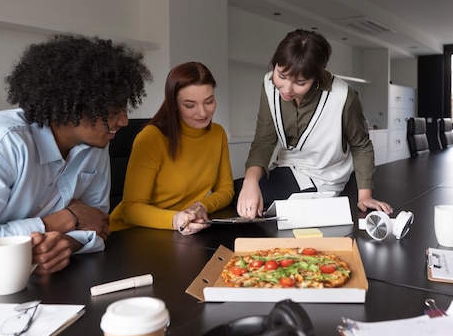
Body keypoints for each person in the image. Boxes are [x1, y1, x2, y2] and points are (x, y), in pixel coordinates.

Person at [0, 34, 152, 280]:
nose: (124, 121)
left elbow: (98, 224)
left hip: (42, 284)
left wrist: (67, 245)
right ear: (72, 105)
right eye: (114, 110)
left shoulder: (97, 144)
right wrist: (64, 219)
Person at [236, 29, 392, 218]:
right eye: (282, 75)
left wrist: (365, 195)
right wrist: (250, 183)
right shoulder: (269, 85)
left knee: (259, 205)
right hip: (286, 168)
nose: (287, 89)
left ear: (317, 76)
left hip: (324, 178)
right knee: (238, 192)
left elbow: (361, 146)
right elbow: (263, 142)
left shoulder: (343, 96)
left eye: (300, 82)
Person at [110, 62, 234, 235]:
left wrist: (200, 205)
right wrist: (175, 219)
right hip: (133, 234)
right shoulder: (151, 137)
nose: (203, 112)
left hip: (181, 232)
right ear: (174, 104)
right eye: (190, 105)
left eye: (209, 101)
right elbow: (130, 209)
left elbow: (226, 190)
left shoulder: (217, 134)